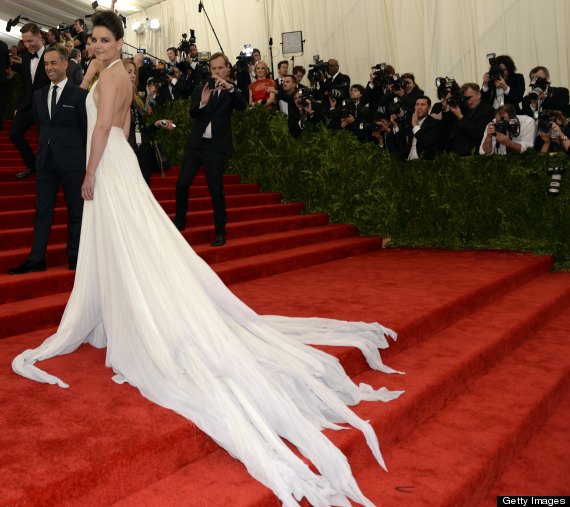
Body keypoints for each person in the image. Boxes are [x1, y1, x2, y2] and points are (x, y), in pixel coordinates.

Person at [12, 11, 403, 507]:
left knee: (129, 243)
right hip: (119, 163)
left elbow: (105, 128)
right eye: (93, 39)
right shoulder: (114, 72)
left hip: (107, 164)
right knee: (124, 243)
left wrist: (90, 173)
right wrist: (92, 70)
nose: (97, 45)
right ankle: (119, 313)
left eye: (105, 40)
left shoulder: (112, 76)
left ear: (120, 41)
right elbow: (119, 119)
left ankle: (137, 318)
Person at [8, 45, 87, 274]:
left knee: (76, 211)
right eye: (46, 64)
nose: (49, 67)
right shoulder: (38, 95)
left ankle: (75, 257)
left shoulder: (80, 96)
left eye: (53, 63)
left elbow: (85, 131)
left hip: (72, 162)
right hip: (45, 163)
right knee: (42, 212)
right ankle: (36, 259)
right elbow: (41, 127)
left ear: (65, 64)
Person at [173, 52, 247, 246]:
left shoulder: (232, 90)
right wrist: (203, 102)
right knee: (182, 184)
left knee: (216, 190)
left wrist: (230, 89)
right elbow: (193, 114)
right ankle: (179, 222)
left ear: (227, 68)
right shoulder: (201, 87)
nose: (216, 72)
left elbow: (243, 106)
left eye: (220, 68)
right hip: (196, 145)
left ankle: (220, 232)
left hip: (216, 148)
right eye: (213, 68)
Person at [123, 58, 174, 185]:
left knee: (144, 190)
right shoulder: (116, 99)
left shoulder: (138, 100)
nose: (133, 75)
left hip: (143, 151)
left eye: (134, 72)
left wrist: (157, 124)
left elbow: (141, 129)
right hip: (126, 151)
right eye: (129, 72)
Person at [9, 23, 51, 178]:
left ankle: (50, 170)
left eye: (30, 41)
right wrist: (18, 106)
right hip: (27, 105)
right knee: (14, 133)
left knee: (47, 140)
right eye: (24, 42)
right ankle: (32, 165)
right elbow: (25, 84)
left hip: (45, 105)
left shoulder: (52, 55)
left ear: (40, 37)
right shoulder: (26, 57)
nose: (27, 45)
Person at [441, 83, 495, 155]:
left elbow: (478, 134)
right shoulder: (462, 108)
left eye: (470, 97)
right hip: (453, 154)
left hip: (472, 155)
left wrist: (460, 116)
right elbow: (446, 128)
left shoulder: (488, 110)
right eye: (465, 98)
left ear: (479, 95)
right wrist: (447, 108)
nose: (467, 101)